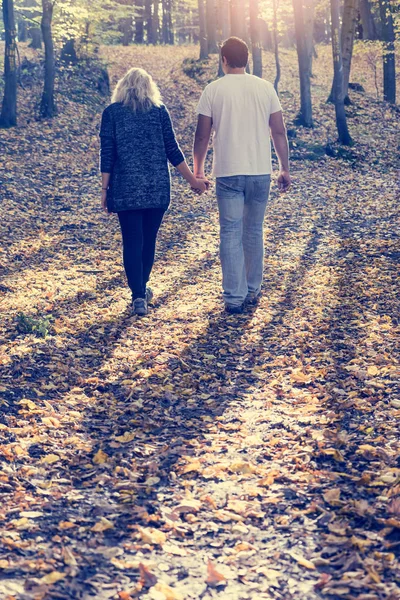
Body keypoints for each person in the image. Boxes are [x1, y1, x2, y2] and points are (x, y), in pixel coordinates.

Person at [193, 37, 291, 314]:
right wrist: (284, 168)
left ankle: (234, 297)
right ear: (246, 59)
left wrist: (198, 170)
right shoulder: (265, 88)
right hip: (260, 171)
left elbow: (202, 135)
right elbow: (279, 131)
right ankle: (252, 289)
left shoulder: (213, 90)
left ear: (223, 59)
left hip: (228, 173)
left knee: (231, 231)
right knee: (253, 231)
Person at [100, 67, 208, 316]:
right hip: (156, 189)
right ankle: (142, 288)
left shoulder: (112, 113)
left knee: (132, 241)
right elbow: (173, 149)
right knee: (148, 241)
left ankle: (138, 295)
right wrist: (192, 180)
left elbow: (107, 154)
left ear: (122, 88)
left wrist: (104, 189)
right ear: (150, 89)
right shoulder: (159, 112)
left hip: (125, 189)